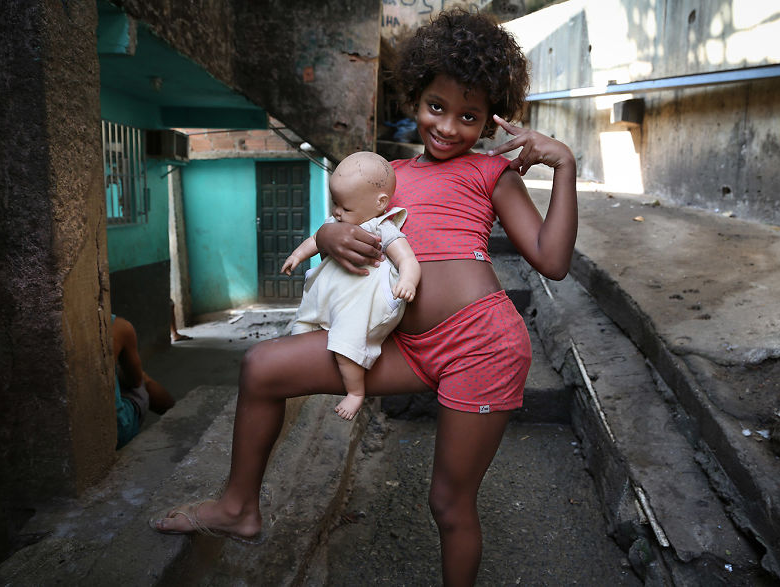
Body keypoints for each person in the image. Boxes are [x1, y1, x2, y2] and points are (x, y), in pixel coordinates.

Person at [153, 9, 577, 585]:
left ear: (490, 120)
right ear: (415, 96)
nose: (450, 127)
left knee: (448, 504)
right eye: (437, 107)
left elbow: (551, 261)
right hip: (404, 343)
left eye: (469, 116)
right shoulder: (388, 174)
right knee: (261, 367)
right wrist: (328, 234)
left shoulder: (490, 173)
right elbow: (344, 223)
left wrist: (565, 167)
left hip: (483, 348)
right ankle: (238, 508)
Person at [281, 151, 420, 420]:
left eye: (345, 208)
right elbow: (314, 240)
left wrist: (407, 281)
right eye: (336, 204)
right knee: (300, 330)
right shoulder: (335, 222)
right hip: (327, 296)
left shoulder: (382, 226)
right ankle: (302, 375)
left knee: (347, 345)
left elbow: (407, 259)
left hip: (361, 301)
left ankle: (355, 392)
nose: (337, 212)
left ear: (380, 203)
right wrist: (297, 255)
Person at [112, 314, 175, 448]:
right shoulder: (119, 326)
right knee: (141, 379)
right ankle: (177, 414)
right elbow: (134, 381)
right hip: (116, 431)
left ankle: (176, 413)